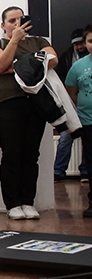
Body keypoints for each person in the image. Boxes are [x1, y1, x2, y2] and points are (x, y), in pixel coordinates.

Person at [0, 7, 58, 219]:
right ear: (3, 25)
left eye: (21, 18)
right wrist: (15, 42)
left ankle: (28, 201)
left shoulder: (38, 41)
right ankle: (13, 203)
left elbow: (52, 60)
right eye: (11, 20)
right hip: (8, 102)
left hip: (36, 102)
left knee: (31, 155)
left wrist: (15, 65)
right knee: (12, 154)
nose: (17, 23)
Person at [54, 28, 89, 181]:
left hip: (86, 106)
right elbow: (61, 77)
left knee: (88, 142)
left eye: (81, 43)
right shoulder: (67, 56)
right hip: (72, 105)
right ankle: (58, 170)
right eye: (76, 44)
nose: (79, 47)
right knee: (65, 138)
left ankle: (85, 171)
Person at [65, 27, 92, 217]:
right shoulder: (78, 67)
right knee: (91, 162)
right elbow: (72, 93)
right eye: (90, 41)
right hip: (88, 121)